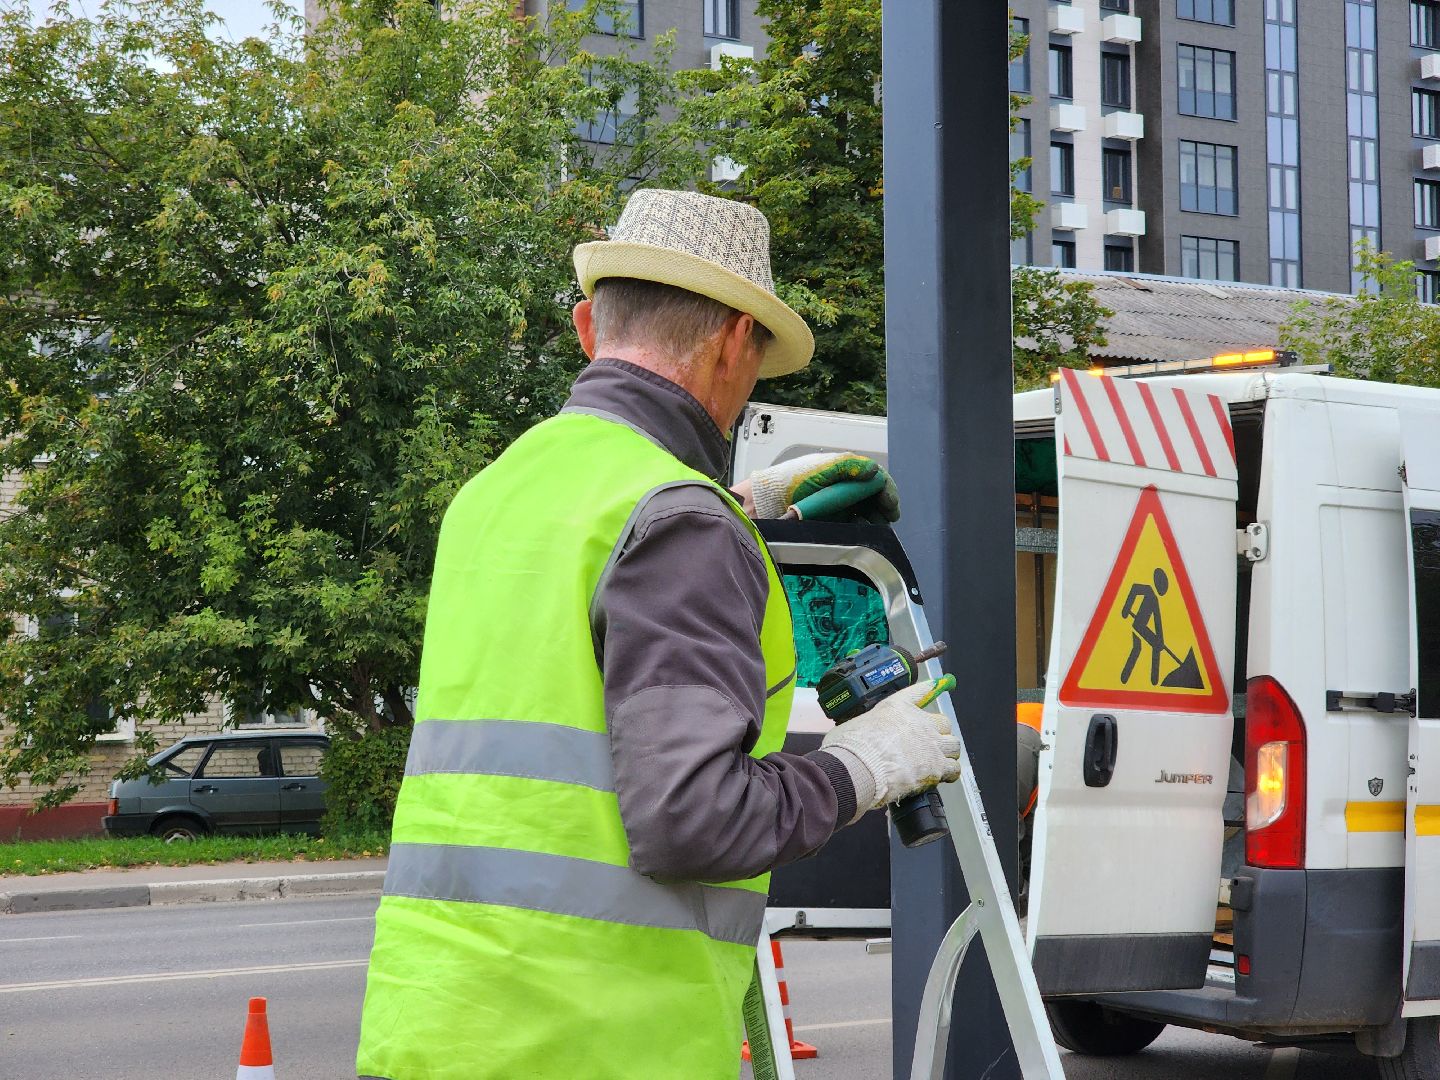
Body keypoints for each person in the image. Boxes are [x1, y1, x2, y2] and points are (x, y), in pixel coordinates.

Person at [355, 189, 962, 1080]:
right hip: (601, 1043)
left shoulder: (498, 491)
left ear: (586, 329)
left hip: (434, 1029)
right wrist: (864, 764)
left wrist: (728, 510)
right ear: (732, 342)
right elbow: (692, 821)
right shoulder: (680, 521)